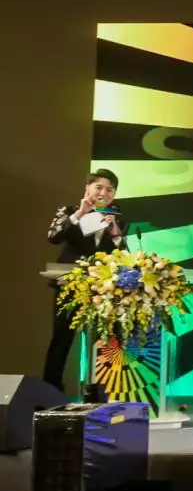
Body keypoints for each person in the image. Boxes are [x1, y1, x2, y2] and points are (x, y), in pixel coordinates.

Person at [43, 169, 128, 394]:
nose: (104, 193)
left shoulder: (117, 218)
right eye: (99, 187)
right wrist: (80, 213)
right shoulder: (69, 211)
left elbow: (124, 254)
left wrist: (115, 232)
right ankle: (50, 392)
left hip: (104, 288)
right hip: (70, 284)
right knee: (62, 338)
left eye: (110, 190)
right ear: (87, 189)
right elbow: (53, 237)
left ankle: (102, 390)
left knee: (105, 337)